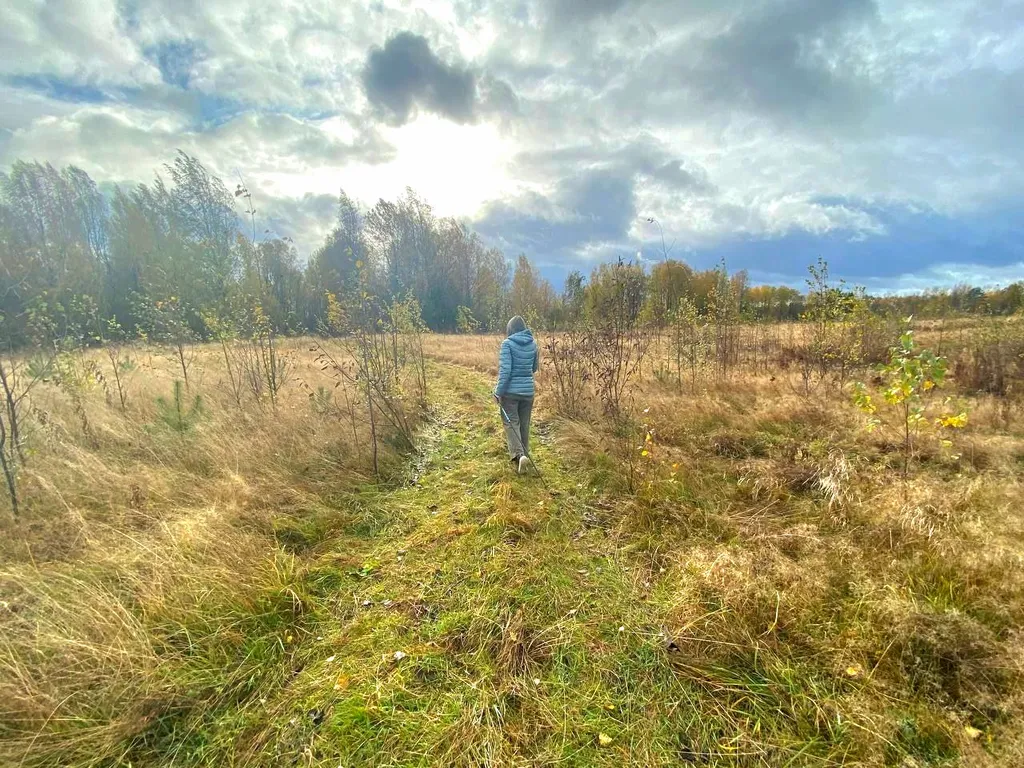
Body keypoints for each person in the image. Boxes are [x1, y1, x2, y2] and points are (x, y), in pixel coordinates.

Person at [494, 315, 539, 475]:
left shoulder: (507, 344)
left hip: (511, 393)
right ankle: (525, 456)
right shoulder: (533, 344)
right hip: (528, 392)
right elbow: (534, 368)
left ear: (510, 329)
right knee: (524, 424)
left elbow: (505, 372)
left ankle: (519, 456)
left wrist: (498, 392)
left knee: (511, 423)